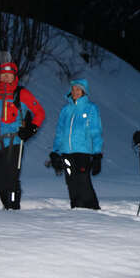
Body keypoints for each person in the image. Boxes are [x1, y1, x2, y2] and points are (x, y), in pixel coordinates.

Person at [0, 62, 45, 209]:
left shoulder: (22, 94)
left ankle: (13, 208)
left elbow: (40, 112)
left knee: (11, 178)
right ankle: (7, 205)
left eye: (10, 75)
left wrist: (31, 129)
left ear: (15, 77)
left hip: (13, 141)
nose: (6, 78)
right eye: (3, 75)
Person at [50, 79, 103, 209]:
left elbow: (96, 131)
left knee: (83, 181)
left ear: (84, 92)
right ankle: (76, 208)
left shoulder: (91, 108)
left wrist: (97, 154)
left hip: (83, 152)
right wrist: (55, 151)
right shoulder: (66, 110)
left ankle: (93, 209)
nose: (75, 92)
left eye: (78, 89)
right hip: (67, 152)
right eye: (73, 89)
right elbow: (60, 132)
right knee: (71, 182)